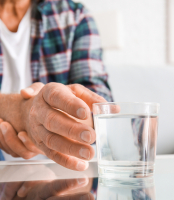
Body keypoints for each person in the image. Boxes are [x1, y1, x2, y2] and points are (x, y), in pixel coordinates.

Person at [0, 0, 112, 171]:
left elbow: (101, 109)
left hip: (62, 174)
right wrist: (21, 111)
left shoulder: (74, 18)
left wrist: (56, 105)